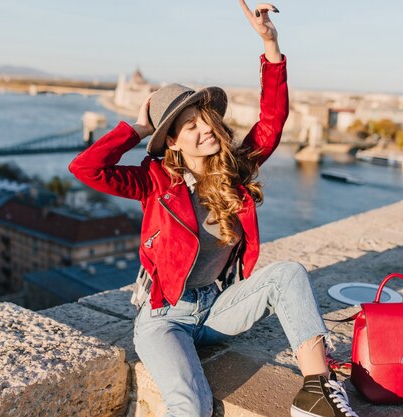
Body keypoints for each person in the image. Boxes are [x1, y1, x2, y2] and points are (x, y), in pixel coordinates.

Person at [68, 2, 359, 416]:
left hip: (216, 309)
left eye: (206, 120)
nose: (205, 129)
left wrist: (270, 44)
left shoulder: (234, 172)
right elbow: (86, 167)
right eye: (189, 126)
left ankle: (316, 391)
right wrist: (138, 128)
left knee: (289, 274)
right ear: (172, 140)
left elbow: (272, 122)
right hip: (164, 318)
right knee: (192, 406)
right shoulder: (153, 183)